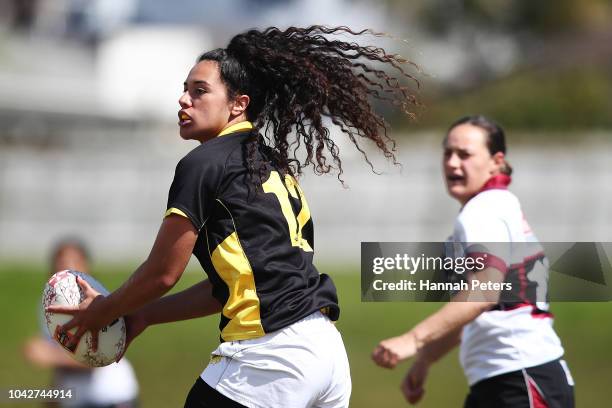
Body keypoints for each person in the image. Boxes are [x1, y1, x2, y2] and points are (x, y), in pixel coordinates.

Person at [46, 26, 419, 408]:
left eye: (199, 91)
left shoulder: (205, 163)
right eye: (184, 89)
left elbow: (162, 272)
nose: (183, 99)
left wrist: (102, 312)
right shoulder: (268, 162)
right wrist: (142, 317)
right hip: (326, 355)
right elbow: (223, 287)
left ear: (239, 104)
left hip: (271, 356)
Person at [372, 115, 575, 407]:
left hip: (519, 380)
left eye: (465, 154)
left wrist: (413, 340)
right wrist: (426, 359)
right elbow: (482, 307)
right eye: (448, 153)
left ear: (496, 161)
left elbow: (482, 293)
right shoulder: (498, 205)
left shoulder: (483, 212)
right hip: (509, 379)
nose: (453, 163)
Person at [23, 238, 139, 408]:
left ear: (87, 269)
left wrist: (50, 355)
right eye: (61, 265)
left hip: (111, 396)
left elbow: (96, 357)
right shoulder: (49, 309)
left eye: (74, 264)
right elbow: (63, 361)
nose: (67, 271)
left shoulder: (96, 302)